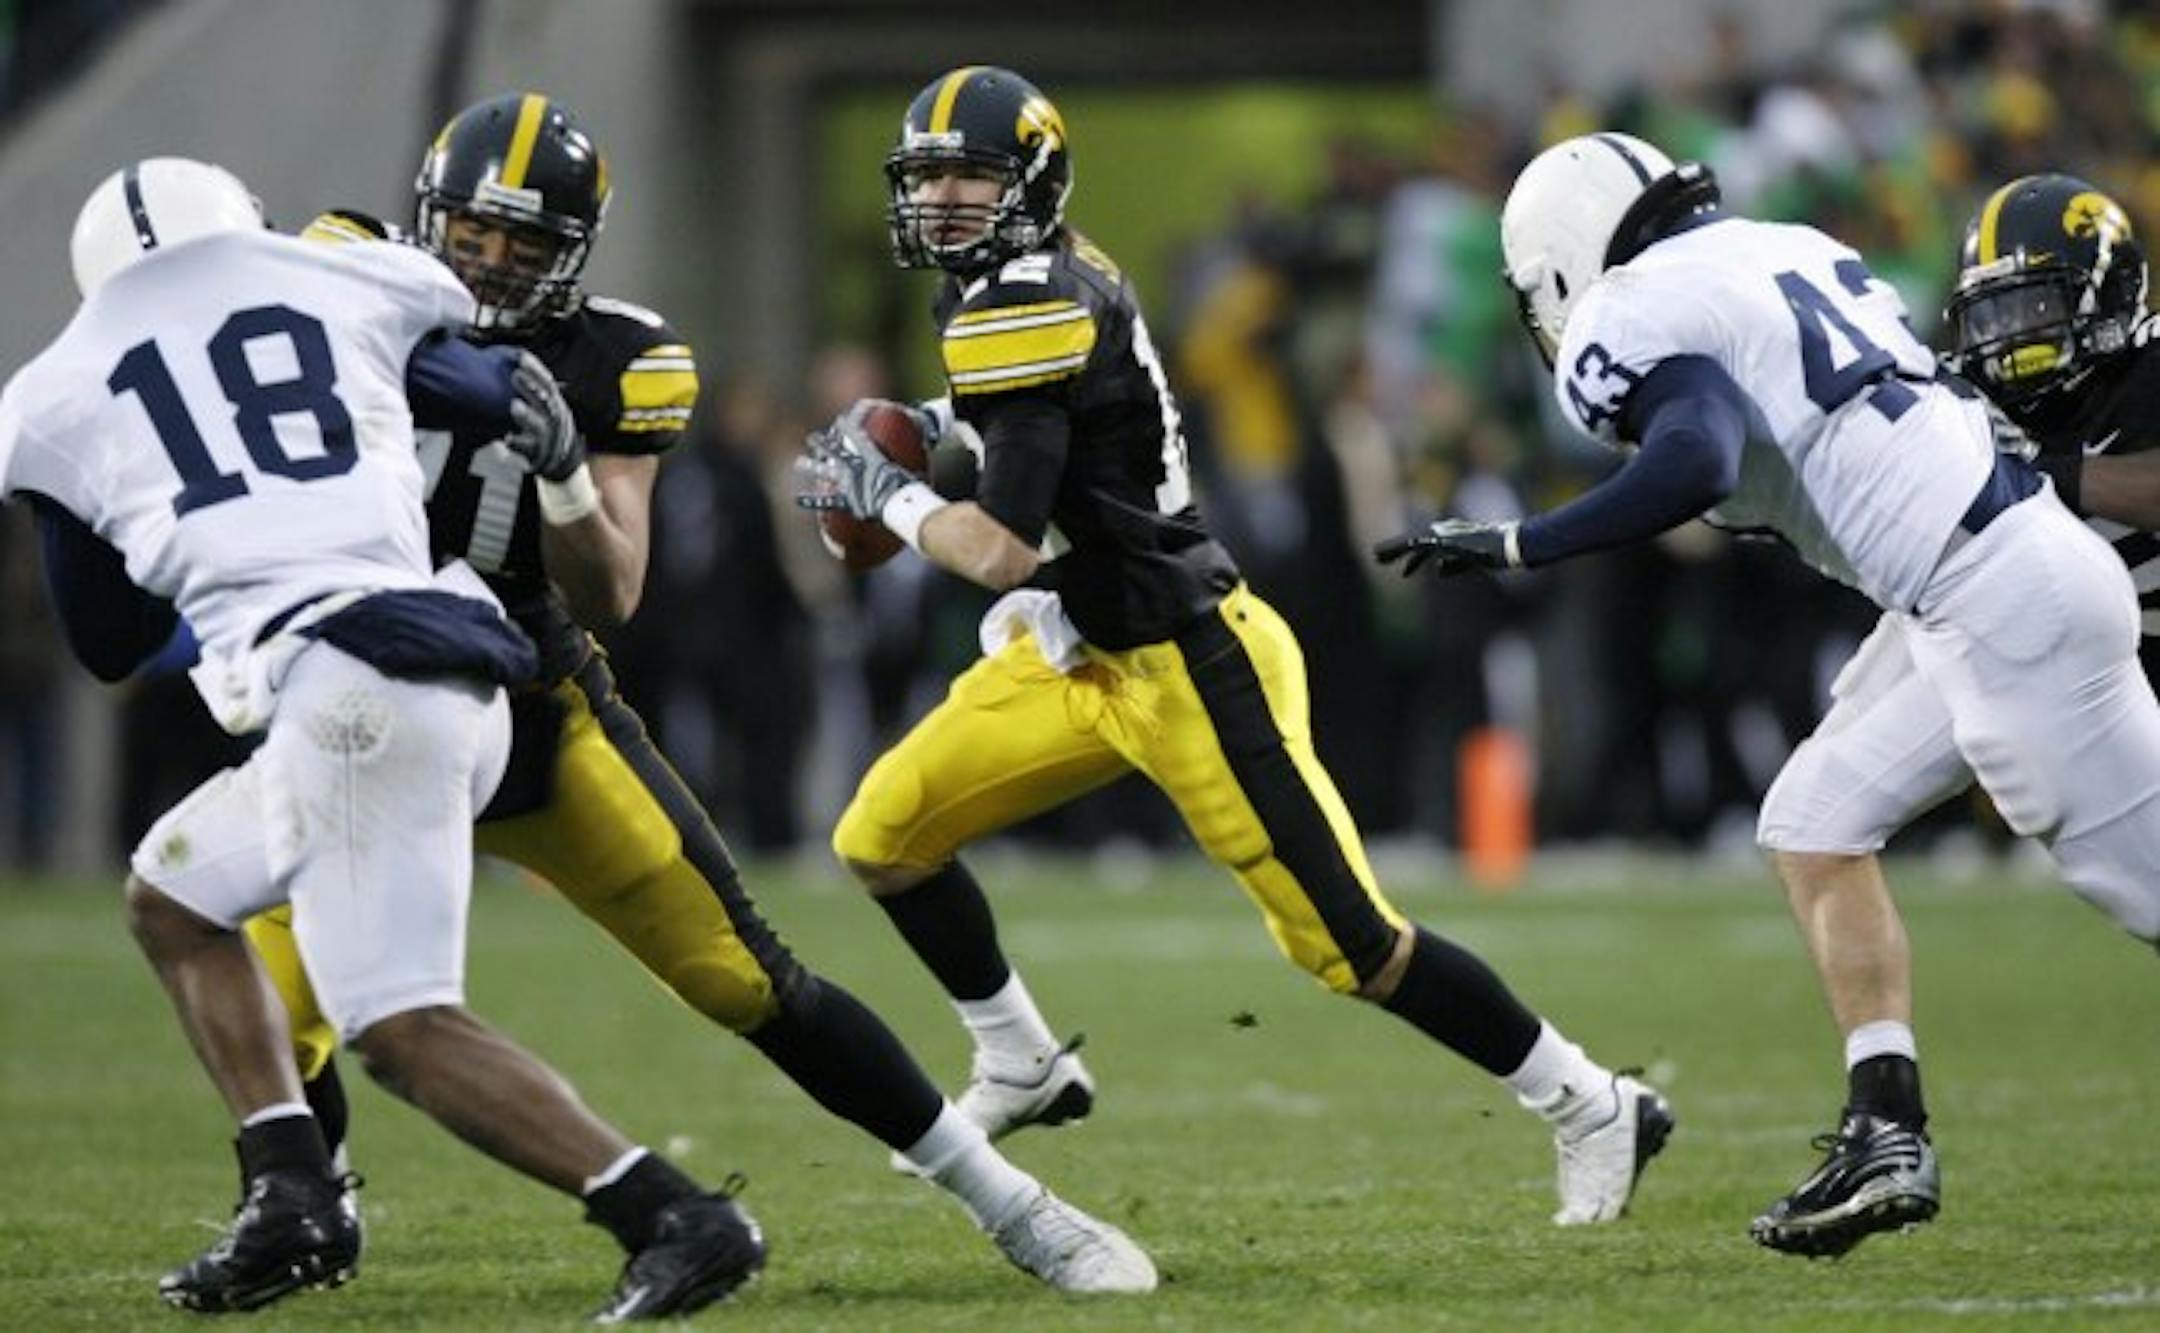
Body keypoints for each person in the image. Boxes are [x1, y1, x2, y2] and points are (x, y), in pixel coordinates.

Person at [228, 94, 1155, 1295]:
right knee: (250, 949)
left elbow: (614, 588)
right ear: (427, 217)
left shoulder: (620, 357)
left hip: (524, 704)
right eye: (472, 232)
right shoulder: (340, 279)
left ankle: (1013, 1203)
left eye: (526, 243)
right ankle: (304, 1207)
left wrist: (562, 469)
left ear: (577, 255)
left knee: (744, 975)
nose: (493, 261)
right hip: (343, 690)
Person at [797, 65, 1673, 1229]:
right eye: (932, 176)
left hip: (1190, 660)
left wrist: (889, 493)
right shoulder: (1026, 282)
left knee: (1356, 947)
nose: (947, 198)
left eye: (972, 174)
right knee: (884, 836)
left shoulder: (1025, 298)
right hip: (1078, 646)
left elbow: (1001, 545)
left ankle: (1589, 1100)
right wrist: (944, 432)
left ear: (1032, 184)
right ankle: (1021, 1059)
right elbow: (1051, 427)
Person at [2, 156, 763, 1320]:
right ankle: (291, 1196)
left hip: (356, 689)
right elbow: (493, 386)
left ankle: (674, 1213)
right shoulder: (337, 283)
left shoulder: (52, 392)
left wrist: (178, 519)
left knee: (401, 1028)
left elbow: (109, 640)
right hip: (437, 662)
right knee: (171, 893)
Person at [1378, 134, 2160, 1259]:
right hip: (1981, 583)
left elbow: (1693, 456)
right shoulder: (1781, 248)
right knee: (1814, 818)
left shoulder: (1629, 309)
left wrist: (1520, 539)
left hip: (2000, 604)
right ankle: (1884, 1128)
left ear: (1560, 257)